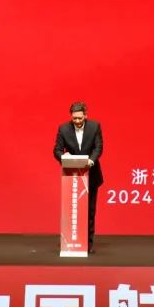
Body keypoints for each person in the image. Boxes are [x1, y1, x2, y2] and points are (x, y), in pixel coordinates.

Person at [53, 101, 104, 252]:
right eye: (74, 118)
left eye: (80, 118)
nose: (77, 121)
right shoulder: (63, 129)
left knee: (89, 211)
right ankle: (71, 242)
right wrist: (64, 157)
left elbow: (98, 147)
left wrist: (91, 161)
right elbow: (57, 150)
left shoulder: (94, 127)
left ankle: (88, 244)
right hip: (72, 176)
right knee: (72, 210)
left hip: (91, 174)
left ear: (85, 116)